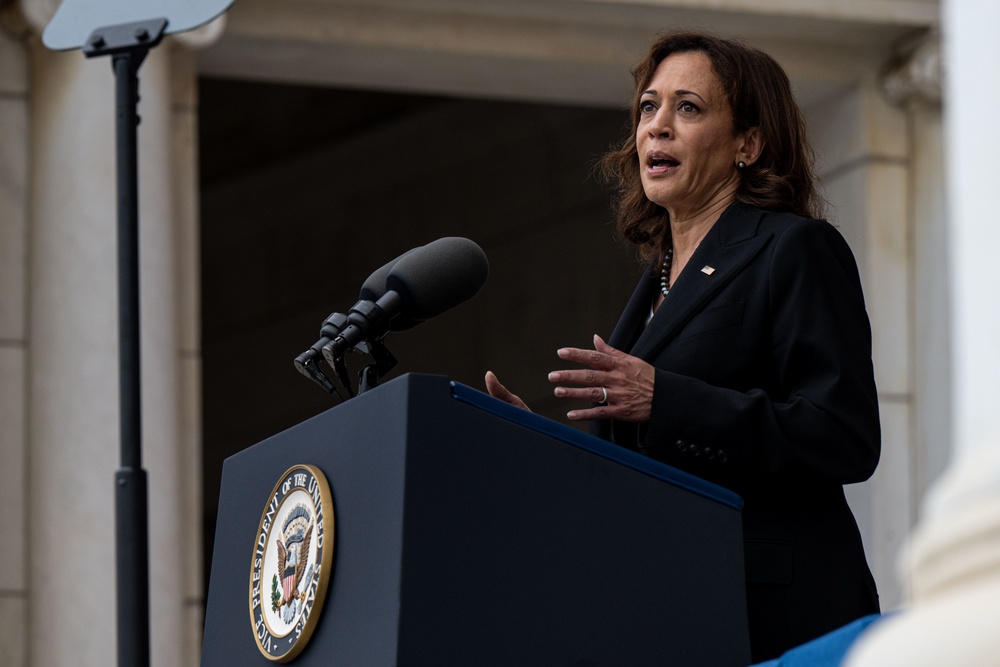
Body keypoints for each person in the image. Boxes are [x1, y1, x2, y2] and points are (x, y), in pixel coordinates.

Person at [485, 31, 880, 662]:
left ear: (747, 143)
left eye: (688, 108)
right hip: (674, 615)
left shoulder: (793, 249)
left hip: (780, 618)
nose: (657, 127)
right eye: (648, 107)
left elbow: (843, 435)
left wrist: (663, 397)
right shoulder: (651, 291)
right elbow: (639, 477)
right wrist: (544, 450)